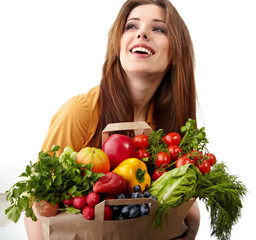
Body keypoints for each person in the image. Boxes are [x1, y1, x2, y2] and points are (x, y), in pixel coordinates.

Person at [24, 0, 200, 239]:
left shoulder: (172, 126)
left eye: (158, 29)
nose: (142, 33)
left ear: (176, 55)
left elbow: (188, 203)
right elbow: (35, 203)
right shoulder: (81, 112)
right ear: (118, 45)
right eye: (131, 26)